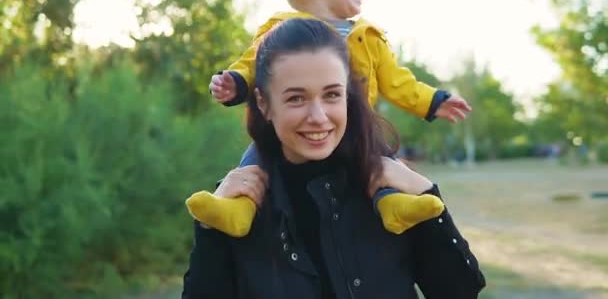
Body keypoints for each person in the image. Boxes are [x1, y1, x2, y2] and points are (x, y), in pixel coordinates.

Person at [182, 18, 485, 299]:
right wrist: (211, 233)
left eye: (331, 95)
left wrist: (425, 191)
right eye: (296, 98)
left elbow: (459, 291)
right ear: (263, 103)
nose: (318, 117)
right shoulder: (237, 203)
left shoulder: (393, 191)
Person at [186, 0, 472, 238]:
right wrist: (234, 82)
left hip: (355, 128)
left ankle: (392, 202)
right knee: (255, 161)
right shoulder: (282, 32)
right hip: (289, 133)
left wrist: (433, 101)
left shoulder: (368, 37)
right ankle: (239, 208)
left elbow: (398, 81)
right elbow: (253, 64)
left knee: (383, 163)